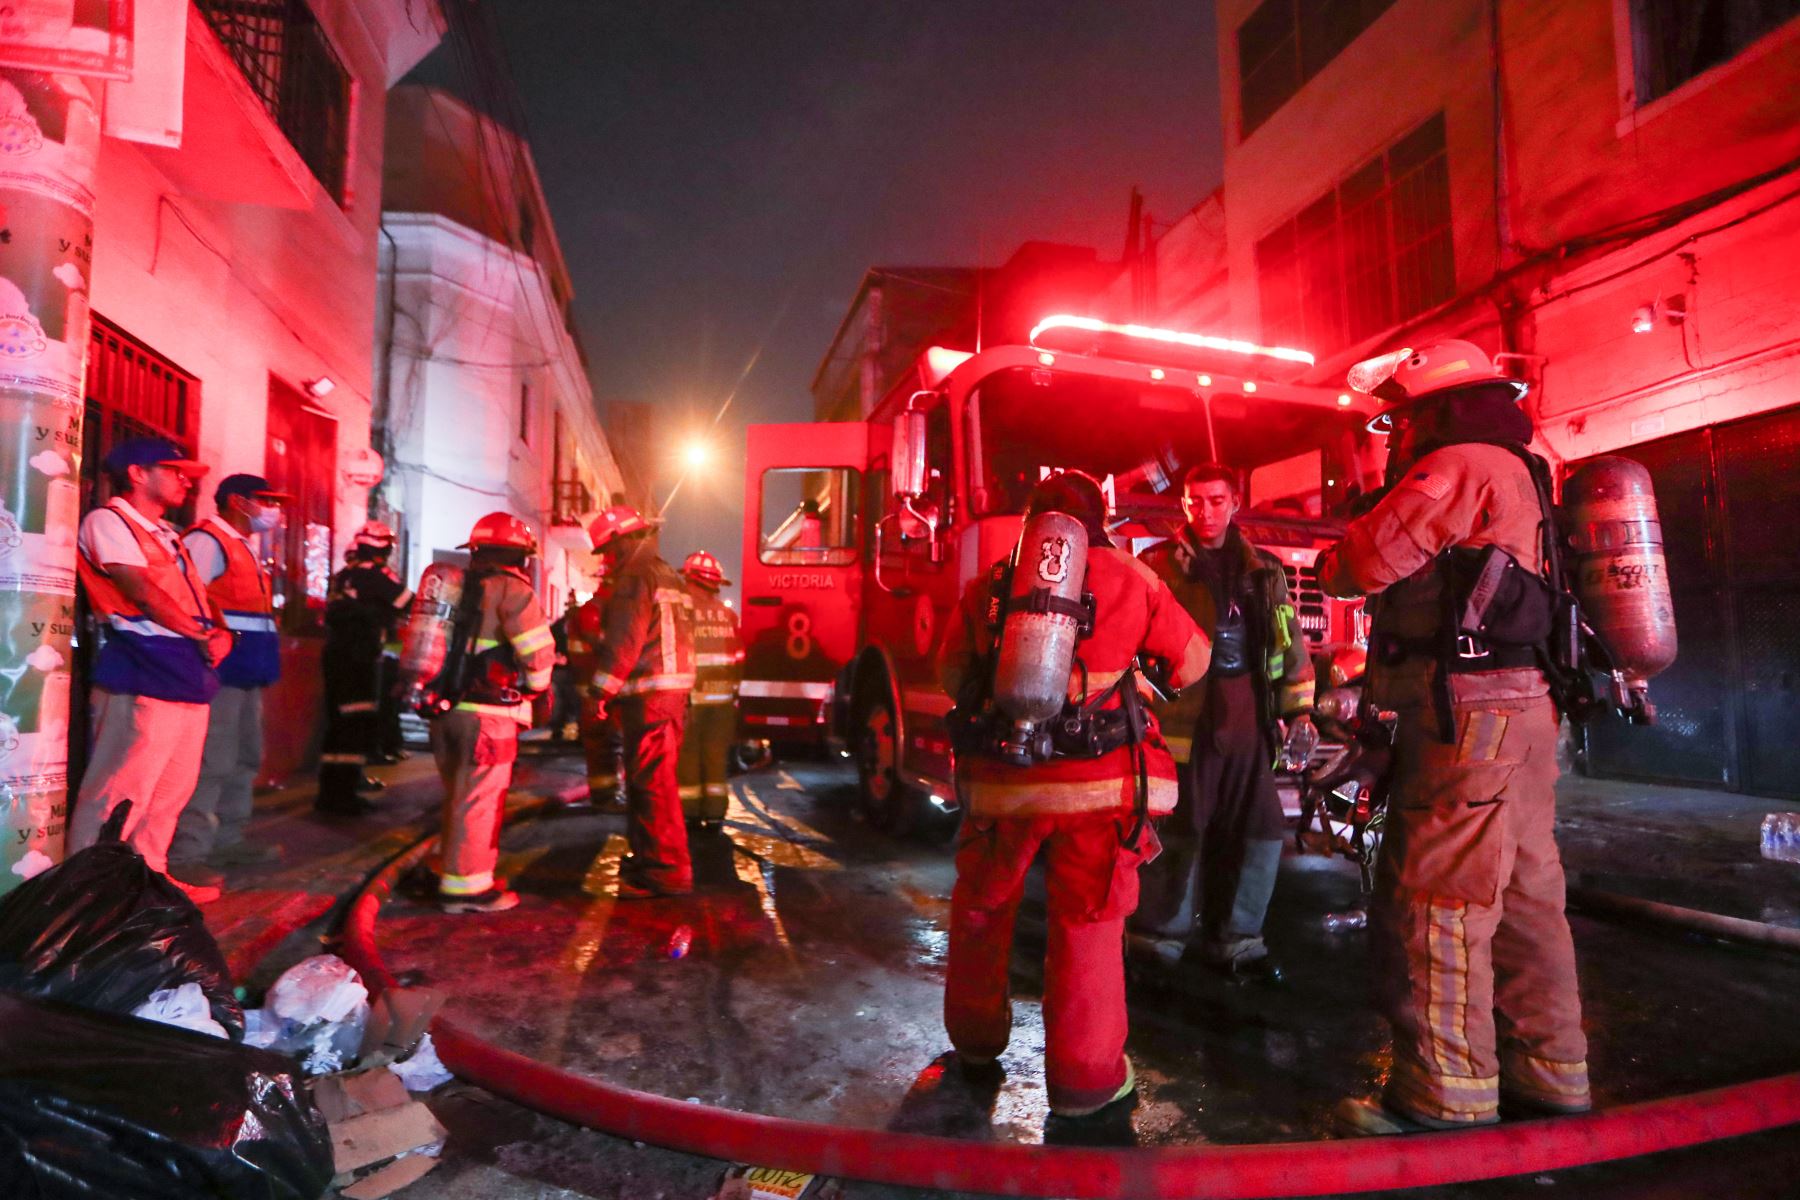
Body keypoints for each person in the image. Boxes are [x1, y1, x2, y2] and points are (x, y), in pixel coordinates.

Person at [1315, 340, 1589, 1133]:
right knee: (1531, 896)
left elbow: (1360, 562)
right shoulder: (1519, 463)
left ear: (1431, 407)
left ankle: (1446, 1093)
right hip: (1522, 712)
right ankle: (1553, 1071)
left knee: (1444, 901)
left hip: (1470, 718)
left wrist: (1355, 526)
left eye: (1398, 420)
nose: (1394, 437)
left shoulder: (1460, 461)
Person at [936, 471, 1211, 1121]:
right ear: (1101, 519)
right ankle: (1086, 1082)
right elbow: (1194, 659)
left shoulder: (994, 582)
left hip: (1002, 787)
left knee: (982, 909)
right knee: (1086, 924)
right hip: (1096, 790)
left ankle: (975, 1045)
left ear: (1034, 527)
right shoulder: (1130, 577)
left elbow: (952, 673)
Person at [1129, 464, 1315, 981]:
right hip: (1182, 716)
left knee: (1259, 829)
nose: (1204, 511)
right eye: (1195, 501)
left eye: (1215, 500)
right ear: (1184, 505)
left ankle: (1237, 941)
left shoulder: (1262, 571)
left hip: (1246, 713)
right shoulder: (1157, 566)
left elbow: (1287, 642)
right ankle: (1156, 941)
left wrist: (1297, 709)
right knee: (1180, 827)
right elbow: (1136, 647)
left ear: (1234, 503)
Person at [69, 437, 233, 903]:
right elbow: (140, 591)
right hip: (140, 671)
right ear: (138, 473)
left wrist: (221, 634)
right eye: (175, 470)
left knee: (169, 792)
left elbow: (200, 600)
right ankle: (91, 893)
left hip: (185, 675)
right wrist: (202, 635)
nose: (186, 480)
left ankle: (150, 881)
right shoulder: (108, 521)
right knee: (120, 790)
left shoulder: (169, 534)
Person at [428, 512, 556, 913]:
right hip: (488, 715)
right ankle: (467, 890)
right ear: (520, 556)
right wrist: (537, 690)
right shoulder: (512, 590)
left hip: (444, 711)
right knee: (480, 801)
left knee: (458, 797)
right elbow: (538, 653)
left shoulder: (451, 587)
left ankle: (451, 870)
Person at [167, 474, 287, 884]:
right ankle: (187, 853)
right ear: (237, 501)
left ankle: (228, 840)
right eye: (266, 500)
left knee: (243, 757)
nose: (274, 510)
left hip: (246, 672)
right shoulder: (207, 541)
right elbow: (185, 598)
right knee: (211, 762)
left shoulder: (242, 547)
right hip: (220, 672)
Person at [585, 504, 696, 899]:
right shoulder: (667, 573)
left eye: (609, 551)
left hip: (650, 697)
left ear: (623, 542)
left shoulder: (635, 576)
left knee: (652, 787)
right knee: (650, 782)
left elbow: (625, 641)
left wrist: (601, 691)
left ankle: (666, 871)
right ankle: (648, 861)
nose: (608, 561)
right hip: (670, 697)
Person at [316, 521, 411, 816]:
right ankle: (344, 798)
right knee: (355, 728)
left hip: (334, 658)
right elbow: (408, 602)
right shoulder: (377, 577)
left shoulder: (341, 576)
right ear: (385, 548)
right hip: (359, 661)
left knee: (337, 727)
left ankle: (330, 793)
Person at [676, 550, 743, 827]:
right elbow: (739, 657)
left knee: (689, 755)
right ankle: (715, 814)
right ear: (715, 583)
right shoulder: (728, 614)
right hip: (723, 701)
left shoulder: (680, 610)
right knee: (716, 757)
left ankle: (689, 814)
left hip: (689, 699)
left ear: (690, 579)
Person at [565, 573, 626, 807]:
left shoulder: (601, 609)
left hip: (602, 689)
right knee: (601, 744)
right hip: (595, 691)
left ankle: (609, 791)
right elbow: (606, 648)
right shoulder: (595, 610)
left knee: (609, 745)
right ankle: (604, 795)